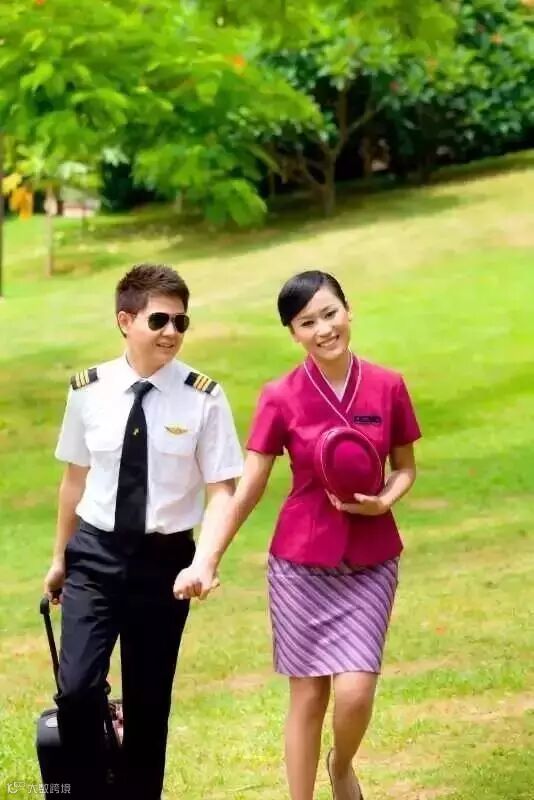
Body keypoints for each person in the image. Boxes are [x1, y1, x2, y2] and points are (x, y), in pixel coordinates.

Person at [174, 269, 422, 800]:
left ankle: (342, 765)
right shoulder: (279, 396)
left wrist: (385, 500)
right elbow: (249, 486)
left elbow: (405, 467)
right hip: (300, 563)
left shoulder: (388, 384)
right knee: (308, 696)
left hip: (372, 560)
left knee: (355, 692)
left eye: (330, 314)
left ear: (349, 311)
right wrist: (207, 559)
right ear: (293, 333)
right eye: (307, 322)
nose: (323, 329)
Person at [43, 263, 243, 800]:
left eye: (181, 321)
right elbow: (74, 480)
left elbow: (223, 490)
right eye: (159, 320)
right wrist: (60, 559)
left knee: (150, 704)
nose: (172, 332)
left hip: (165, 564)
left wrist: (205, 562)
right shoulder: (88, 390)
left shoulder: (204, 397)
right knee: (77, 691)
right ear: (125, 321)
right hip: (94, 555)